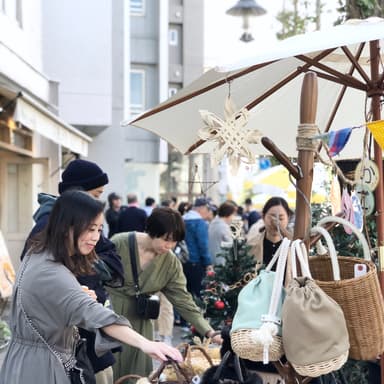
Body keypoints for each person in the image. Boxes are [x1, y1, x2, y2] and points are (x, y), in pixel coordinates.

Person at [0, 191, 182, 384]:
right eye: (90, 229)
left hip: (25, 360)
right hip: (42, 367)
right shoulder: (52, 272)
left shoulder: (38, 252)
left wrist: (72, 296)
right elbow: (97, 315)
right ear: (66, 226)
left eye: (99, 229)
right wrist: (146, 344)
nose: (96, 237)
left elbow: (42, 303)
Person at [20, 158, 125, 384]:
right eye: (96, 195)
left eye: (98, 231)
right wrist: (74, 288)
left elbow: (114, 258)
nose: (95, 237)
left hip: (85, 335)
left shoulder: (83, 228)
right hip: (67, 340)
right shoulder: (45, 234)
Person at [108, 207, 221, 379]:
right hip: (108, 316)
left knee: (136, 376)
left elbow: (183, 300)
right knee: (107, 370)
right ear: (152, 231)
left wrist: (209, 332)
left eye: (174, 242)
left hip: (140, 323)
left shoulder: (170, 263)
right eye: (165, 239)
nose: (169, 246)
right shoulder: (119, 243)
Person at [246, 196, 293, 271]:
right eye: (272, 217)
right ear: (263, 217)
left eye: (281, 218)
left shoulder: (294, 245)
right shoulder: (252, 244)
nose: (276, 222)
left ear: (288, 218)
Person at [183, 197, 213, 299]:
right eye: (208, 209)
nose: (209, 212)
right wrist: (208, 263)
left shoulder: (182, 219)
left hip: (181, 260)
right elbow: (203, 245)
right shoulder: (200, 223)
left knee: (184, 294)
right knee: (198, 294)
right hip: (196, 262)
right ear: (202, 208)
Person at [208, 201, 237, 265]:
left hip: (213, 259)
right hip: (221, 262)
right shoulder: (223, 227)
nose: (233, 218)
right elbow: (230, 245)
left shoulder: (213, 223)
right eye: (233, 215)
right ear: (228, 214)